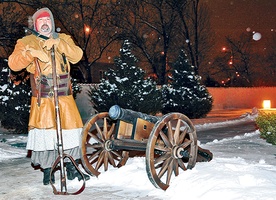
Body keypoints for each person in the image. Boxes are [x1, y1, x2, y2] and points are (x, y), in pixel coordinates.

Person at [8, 7, 90, 185]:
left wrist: (58, 44)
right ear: (36, 24)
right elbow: (13, 63)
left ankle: (71, 166)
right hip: (43, 96)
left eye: (48, 20)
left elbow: (77, 55)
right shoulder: (27, 41)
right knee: (46, 134)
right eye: (41, 21)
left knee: (70, 131)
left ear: (52, 23)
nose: (45, 23)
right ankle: (48, 169)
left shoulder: (64, 38)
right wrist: (31, 53)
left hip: (64, 95)